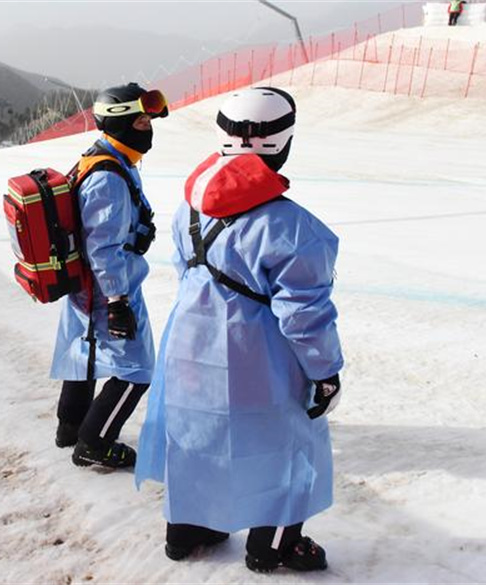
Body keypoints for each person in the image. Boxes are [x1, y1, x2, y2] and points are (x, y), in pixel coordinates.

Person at [135, 87, 344, 573]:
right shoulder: (293, 227)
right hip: (257, 356)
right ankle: (272, 546)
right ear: (284, 142)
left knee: (197, 433)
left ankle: (188, 529)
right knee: (283, 443)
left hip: (189, 345)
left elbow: (183, 268)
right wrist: (327, 372)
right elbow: (304, 315)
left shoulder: (190, 206)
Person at [50, 82, 168, 470]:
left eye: (149, 120)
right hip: (107, 286)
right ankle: (94, 444)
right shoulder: (109, 176)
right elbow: (104, 247)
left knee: (86, 351)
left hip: (89, 283)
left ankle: (70, 427)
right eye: (141, 121)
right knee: (136, 369)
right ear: (118, 124)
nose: (148, 128)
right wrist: (117, 302)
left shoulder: (105, 158)